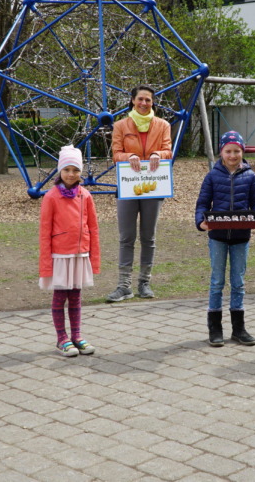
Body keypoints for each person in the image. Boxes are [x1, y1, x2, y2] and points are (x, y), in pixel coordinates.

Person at [195, 131, 255, 347]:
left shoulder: (251, 176)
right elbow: (202, 204)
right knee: (217, 281)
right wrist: (200, 222)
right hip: (217, 236)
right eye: (228, 151)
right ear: (221, 152)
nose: (233, 155)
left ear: (242, 152)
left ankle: (239, 328)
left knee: (238, 282)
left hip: (241, 237)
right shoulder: (212, 176)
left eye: (237, 151)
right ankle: (215, 328)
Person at [106, 85, 173, 302]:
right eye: (140, 99)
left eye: (148, 100)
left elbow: (168, 151)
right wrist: (129, 157)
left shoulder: (163, 125)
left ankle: (145, 282)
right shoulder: (120, 125)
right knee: (126, 237)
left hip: (153, 186)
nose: (144, 103)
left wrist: (157, 153)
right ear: (133, 100)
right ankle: (124, 285)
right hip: (128, 185)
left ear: (153, 103)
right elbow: (116, 154)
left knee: (148, 237)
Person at [39, 145, 101, 357]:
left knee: (76, 296)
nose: (71, 174)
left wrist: (94, 258)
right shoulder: (51, 197)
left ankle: (76, 335)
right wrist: (46, 264)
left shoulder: (86, 195)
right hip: (60, 255)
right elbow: (45, 231)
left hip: (80, 254)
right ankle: (61, 338)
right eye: (67, 170)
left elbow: (93, 228)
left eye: (75, 170)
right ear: (60, 171)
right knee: (60, 295)